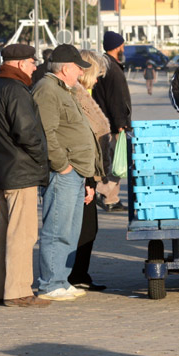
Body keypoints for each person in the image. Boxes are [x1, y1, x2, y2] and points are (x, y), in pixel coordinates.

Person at [0, 43, 50, 307]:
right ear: (21, 63)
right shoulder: (16, 90)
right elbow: (27, 133)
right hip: (21, 172)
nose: (35, 67)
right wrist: (41, 158)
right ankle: (19, 292)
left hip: (2, 170)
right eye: (33, 62)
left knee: (2, 233)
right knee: (22, 235)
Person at [33, 44, 100, 302]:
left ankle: (62, 278)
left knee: (71, 230)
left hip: (76, 171)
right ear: (64, 69)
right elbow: (46, 133)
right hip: (63, 171)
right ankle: (49, 283)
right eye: (77, 69)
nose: (81, 74)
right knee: (57, 228)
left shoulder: (64, 89)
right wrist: (62, 165)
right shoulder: (47, 90)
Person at [69, 50, 108, 291]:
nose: (97, 80)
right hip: (81, 171)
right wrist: (87, 179)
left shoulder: (85, 94)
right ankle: (73, 274)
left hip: (89, 171)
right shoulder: (75, 95)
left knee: (88, 227)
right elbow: (80, 137)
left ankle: (80, 273)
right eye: (96, 75)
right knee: (82, 228)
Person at [92, 31, 131, 212]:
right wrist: (121, 123)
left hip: (105, 120)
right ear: (117, 46)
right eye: (122, 45)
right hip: (114, 124)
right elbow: (116, 99)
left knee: (114, 162)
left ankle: (111, 199)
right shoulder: (113, 69)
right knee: (118, 162)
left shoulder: (104, 65)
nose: (123, 48)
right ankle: (103, 192)